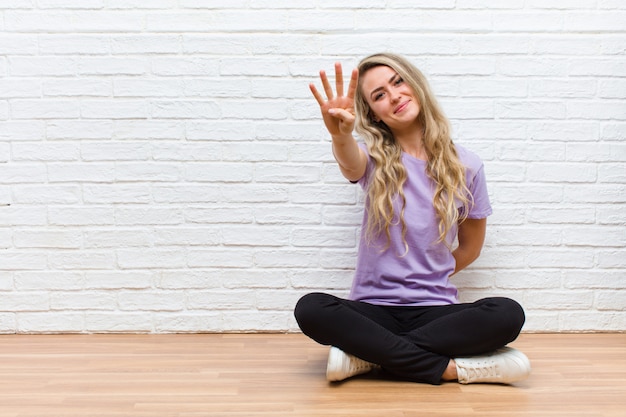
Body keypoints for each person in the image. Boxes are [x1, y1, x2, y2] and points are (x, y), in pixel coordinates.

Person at [294, 53, 531, 385]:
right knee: (310, 308)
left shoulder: (468, 166)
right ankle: (451, 369)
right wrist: (340, 136)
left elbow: (471, 247)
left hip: (435, 312)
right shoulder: (372, 158)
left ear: (415, 85)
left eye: (397, 82)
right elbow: (350, 163)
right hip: (372, 310)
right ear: (373, 114)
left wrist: (426, 273)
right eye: (378, 95)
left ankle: (366, 357)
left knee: (507, 314)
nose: (393, 96)